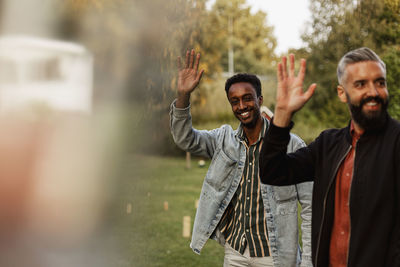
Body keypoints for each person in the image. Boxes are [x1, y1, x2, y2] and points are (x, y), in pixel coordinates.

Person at [170, 49, 313, 267]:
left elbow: (310, 207)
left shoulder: (292, 145)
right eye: (234, 101)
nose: (242, 106)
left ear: (260, 99)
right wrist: (183, 95)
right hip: (236, 251)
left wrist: (308, 261)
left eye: (247, 99)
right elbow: (185, 139)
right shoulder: (223, 139)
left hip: (275, 255)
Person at [259, 47, 400, 267]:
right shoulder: (328, 144)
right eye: (361, 84)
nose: (373, 91)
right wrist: (283, 115)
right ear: (342, 93)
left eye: (380, 82)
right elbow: (272, 171)